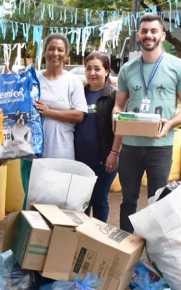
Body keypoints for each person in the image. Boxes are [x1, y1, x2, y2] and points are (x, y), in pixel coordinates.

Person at [113, 13, 181, 233]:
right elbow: (119, 105)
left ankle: (154, 253)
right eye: (144, 31)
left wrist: (170, 124)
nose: (148, 35)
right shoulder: (127, 69)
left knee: (158, 202)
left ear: (163, 35)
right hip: (130, 147)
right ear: (138, 35)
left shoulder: (178, 67)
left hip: (161, 146)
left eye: (153, 31)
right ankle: (126, 250)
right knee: (128, 200)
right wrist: (116, 115)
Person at [20, 33, 87, 202]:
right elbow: (17, 109)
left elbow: (79, 115)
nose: (55, 53)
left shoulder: (73, 81)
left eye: (60, 50)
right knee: (32, 200)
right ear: (44, 52)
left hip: (61, 152)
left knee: (59, 200)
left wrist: (49, 112)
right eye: (51, 49)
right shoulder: (32, 79)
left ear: (66, 54)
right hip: (32, 153)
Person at [74, 51, 122, 222]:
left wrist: (114, 153)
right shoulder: (79, 92)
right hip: (80, 158)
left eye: (97, 69)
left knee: (99, 199)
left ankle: (99, 237)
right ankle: (83, 235)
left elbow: (120, 127)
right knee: (82, 200)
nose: (92, 73)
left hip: (105, 159)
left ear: (107, 70)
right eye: (88, 69)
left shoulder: (114, 95)